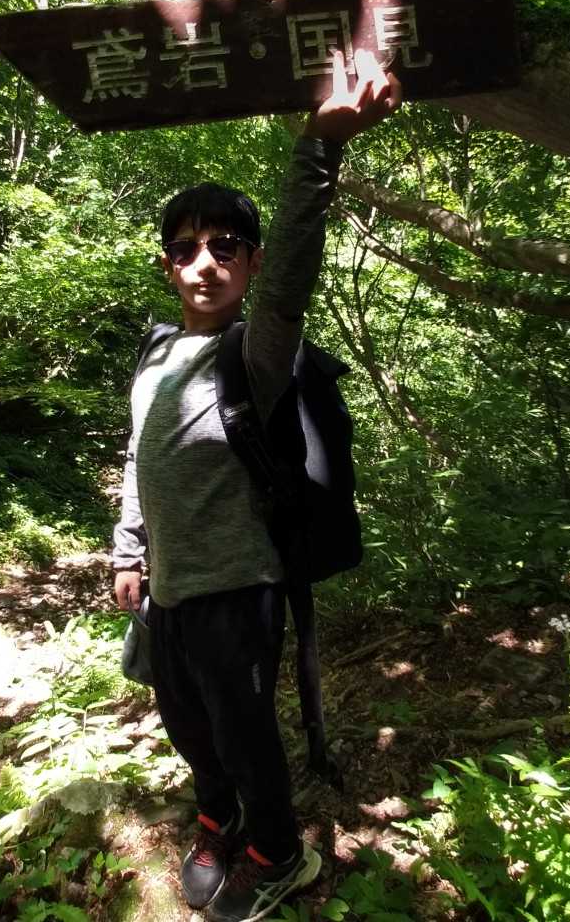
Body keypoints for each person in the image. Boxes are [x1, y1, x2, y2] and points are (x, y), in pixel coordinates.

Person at [111, 48, 400, 922]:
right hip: (166, 588)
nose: (204, 262)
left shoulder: (257, 349)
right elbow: (141, 455)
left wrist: (321, 145)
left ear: (250, 259)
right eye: (185, 248)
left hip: (240, 586)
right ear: (167, 265)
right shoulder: (155, 354)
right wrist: (127, 550)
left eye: (224, 246)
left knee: (243, 733)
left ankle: (278, 853)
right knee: (188, 727)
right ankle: (218, 816)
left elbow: (292, 281)